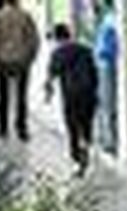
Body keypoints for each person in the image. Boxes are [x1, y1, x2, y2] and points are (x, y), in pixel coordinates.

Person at [45, 23, 98, 175]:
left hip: (71, 95)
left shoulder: (58, 53)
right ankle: (85, 147)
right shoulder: (85, 49)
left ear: (56, 38)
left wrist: (48, 94)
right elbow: (94, 73)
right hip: (88, 93)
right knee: (86, 124)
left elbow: (50, 76)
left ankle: (77, 160)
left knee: (73, 127)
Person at [0, 0, 39, 142]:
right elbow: (33, 39)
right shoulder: (26, 16)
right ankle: (21, 128)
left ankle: (3, 128)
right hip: (22, 62)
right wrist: (29, 59)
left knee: (3, 96)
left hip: (3, 61)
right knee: (21, 97)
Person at [94, 0, 120, 155]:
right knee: (106, 103)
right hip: (105, 63)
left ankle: (109, 140)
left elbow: (108, 46)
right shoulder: (109, 18)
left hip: (107, 64)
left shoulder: (111, 19)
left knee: (107, 102)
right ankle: (107, 138)